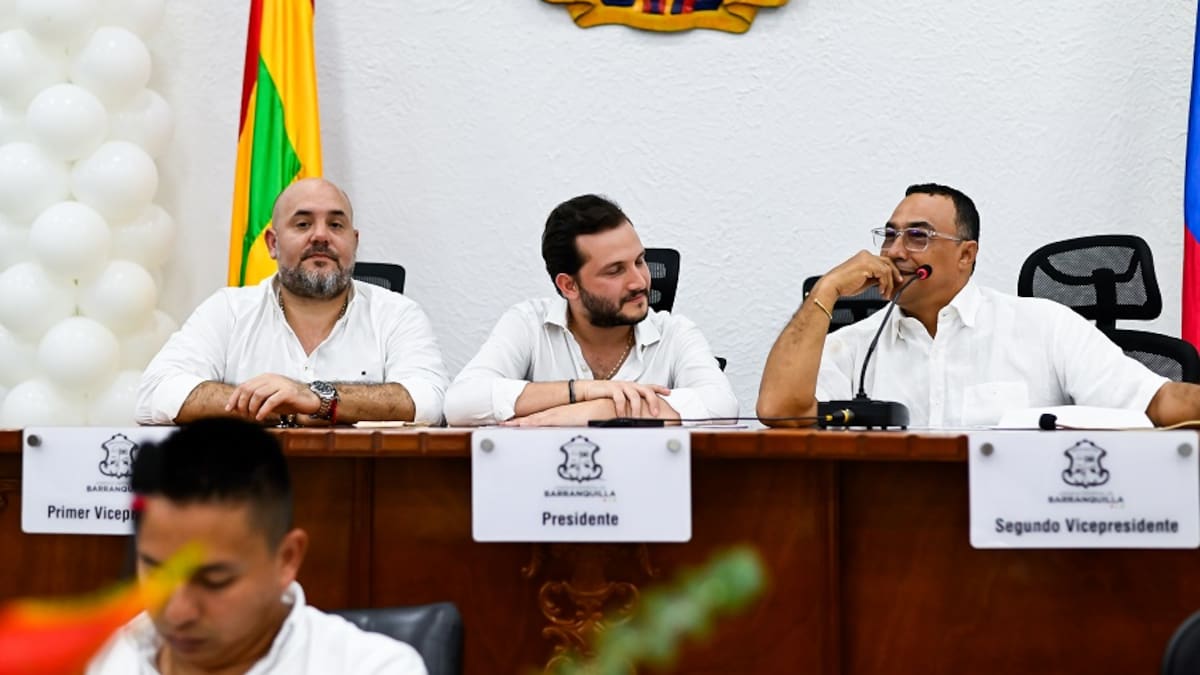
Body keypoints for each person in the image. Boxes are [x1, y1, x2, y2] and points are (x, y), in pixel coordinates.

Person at [757, 182, 1200, 427]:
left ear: (966, 255)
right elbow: (780, 412)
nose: (894, 251)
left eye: (918, 236)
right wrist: (827, 290)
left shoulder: (1043, 326)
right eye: (889, 235)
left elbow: (1159, 402)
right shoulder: (859, 344)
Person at [86, 418, 428, 674]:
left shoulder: (373, 669)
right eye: (157, 572)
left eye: (214, 580)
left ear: (287, 559)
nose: (177, 612)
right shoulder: (101, 660)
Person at [136, 178, 448, 426]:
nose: (321, 236)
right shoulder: (228, 310)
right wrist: (277, 407)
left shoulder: (397, 314)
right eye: (303, 224)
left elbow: (430, 400)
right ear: (273, 243)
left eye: (335, 225)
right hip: (251, 480)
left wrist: (318, 398)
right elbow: (156, 393)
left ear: (354, 242)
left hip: (362, 480)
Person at [443, 194, 737, 426]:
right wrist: (580, 391)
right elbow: (460, 403)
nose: (639, 281)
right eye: (615, 270)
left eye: (639, 261)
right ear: (569, 285)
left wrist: (604, 410)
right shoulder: (529, 324)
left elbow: (722, 406)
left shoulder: (674, 333)